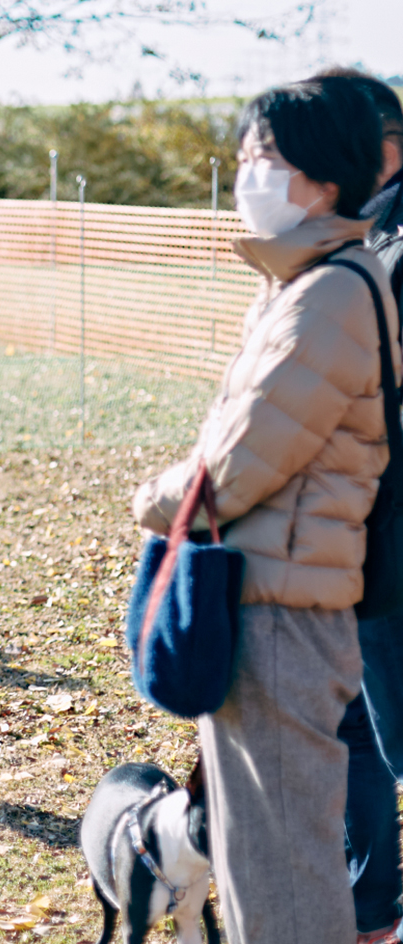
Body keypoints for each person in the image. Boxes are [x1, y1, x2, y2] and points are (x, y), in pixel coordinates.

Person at [132, 77, 392, 944]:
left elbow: (239, 466)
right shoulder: (302, 284)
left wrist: (154, 499)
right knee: (255, 855)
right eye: (248, 156)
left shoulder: (330, 296)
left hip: (285, 613)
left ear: (323, 178)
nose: (251, 174)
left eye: (267, 158)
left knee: (283, 869)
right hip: (265, 598)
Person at [320, 66, 403, 943]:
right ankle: (369, 909)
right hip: (363, 531)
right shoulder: (369, 237)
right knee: (359, 723)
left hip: (386, 529)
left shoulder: (391, 246)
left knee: (384, 726)